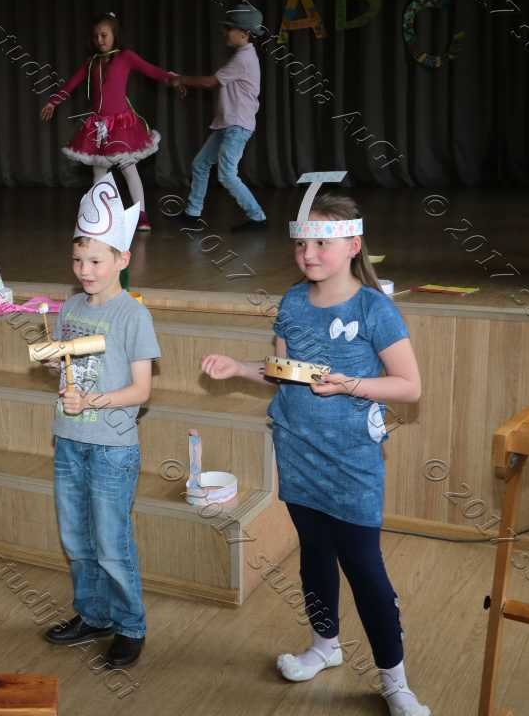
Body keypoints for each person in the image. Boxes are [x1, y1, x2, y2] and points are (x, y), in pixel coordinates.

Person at [200, 189, 429, 716]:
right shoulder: (293, 302)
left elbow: (409, 386)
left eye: (322, 243)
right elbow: (286, 372)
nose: (308, 254)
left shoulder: (374, 308)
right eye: (302, 243)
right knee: (314, 556)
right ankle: (325, 646)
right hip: (297, 451)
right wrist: (239, 368)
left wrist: (350, 384)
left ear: (353, 245)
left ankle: (394, 681)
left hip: (351, 462)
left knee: (365, 570)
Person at [40, 174, 159, 670]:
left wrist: (94, 399)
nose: (85, 271)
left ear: (122, 260)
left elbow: (141, 390)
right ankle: (93, 615)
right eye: (78, 261)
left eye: (95, 261)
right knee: (76, 538)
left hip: (112, 447)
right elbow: (71, 367)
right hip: (69, 439)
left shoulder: (134, 316)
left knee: (111, 543)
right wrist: (58, 364)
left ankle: (130, 626)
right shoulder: (69, 307)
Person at [40, 12, 177, 231]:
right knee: (99, 170)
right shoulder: (91, 62)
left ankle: (141, 215)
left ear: (115, 35)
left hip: (121, 124)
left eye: (104, 35)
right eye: (96, 36)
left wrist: (173, 79)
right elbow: (72, 83)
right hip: (98, 126)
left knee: (129, 168)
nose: (100, 40)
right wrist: (53, 102)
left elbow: (151, 70)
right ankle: (102, 216)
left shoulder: (126, 57)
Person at [172, 4, 268, 232]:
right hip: (227, 124)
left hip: (237, 126)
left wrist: (180, 79)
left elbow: (210, 82)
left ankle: (257, 217)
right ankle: (192, 213)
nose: (225, 32)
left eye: (229, 28)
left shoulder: (244, 59)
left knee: (227, 175)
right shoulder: (243, 56)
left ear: (244, 33)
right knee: (200, 164)